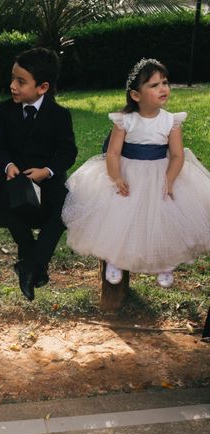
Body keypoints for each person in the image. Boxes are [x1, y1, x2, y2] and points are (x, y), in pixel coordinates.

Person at [62, 58, 210, 287]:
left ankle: (165, 263)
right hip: (128, 172)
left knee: (165, 219)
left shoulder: (171, 121)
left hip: (161, 172)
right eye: (154, 85)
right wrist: (116, 177)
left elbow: (178, 155)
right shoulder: (125, 121)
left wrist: (170, 179)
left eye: (165, 82)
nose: (163, 88)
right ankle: (114, 259)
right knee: (119, 217)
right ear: (136, 95)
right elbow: (112, 153)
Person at [0, 47, 77, 301]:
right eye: (13, 78)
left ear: (43, 87)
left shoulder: (59, 115)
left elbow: (68, 152)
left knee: (62, 209)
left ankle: (31, 265)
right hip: (13, 179)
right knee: (9, 206)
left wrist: (46, 171)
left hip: (47, 180)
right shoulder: (4, 111)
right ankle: (32, 262)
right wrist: (7, 165)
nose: (13, 86)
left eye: (21, 81)